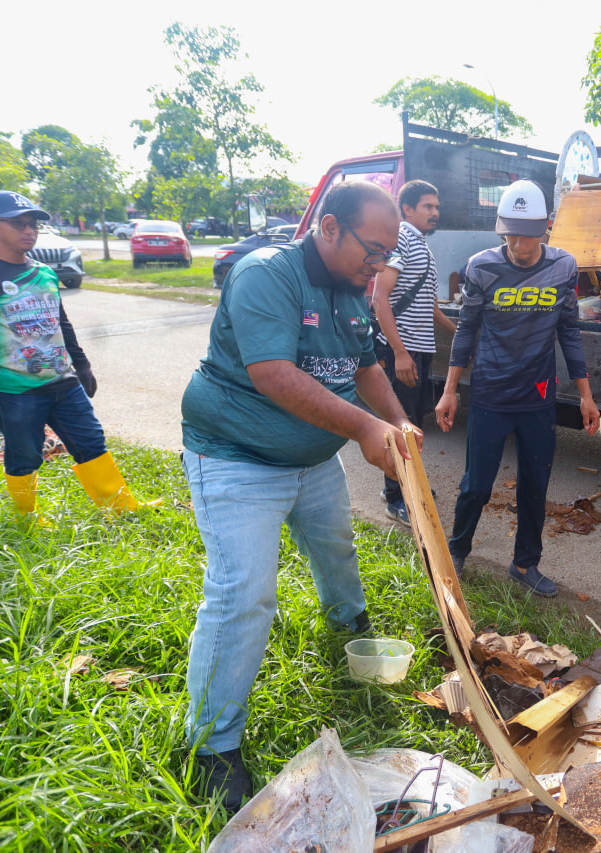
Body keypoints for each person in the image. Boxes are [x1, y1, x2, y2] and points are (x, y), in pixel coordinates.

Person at [179, 181, 417, 811]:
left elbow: (366, 365)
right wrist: (366, 429)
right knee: (244, 593)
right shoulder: (266, 275)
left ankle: (349, 623)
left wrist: (395, 421)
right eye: (374, 249)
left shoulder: (353, 286)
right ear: (330, 227)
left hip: (312, 462)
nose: (380, 266)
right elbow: (273, 374)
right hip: (236, 459)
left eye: (388, 256)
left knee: (336, 547)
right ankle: (211, 745)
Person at [0, 190, 155, 522]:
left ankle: (119, 507)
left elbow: (61, 321)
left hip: (63, 381)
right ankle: (27, 517)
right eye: (18, 224)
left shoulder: (43, 272)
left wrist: (81, 364)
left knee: (90, 441)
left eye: (33, 224)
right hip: (14, 389)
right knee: (23, 453)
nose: (28, 231)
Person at [435, 180, 601, 598]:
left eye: (528, 234)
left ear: (546, 227)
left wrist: (585, 395)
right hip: (491, 392)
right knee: (477, 483)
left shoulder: (564, 267)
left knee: (535, 485)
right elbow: (466, 330)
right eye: (511, 232)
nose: (519, 243)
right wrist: (450, 389)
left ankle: (525, 563)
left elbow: (569, 331)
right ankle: (457, 551)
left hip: (539, 395)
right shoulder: (481, 266)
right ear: (500, 227)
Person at [371, 179, 457, 525]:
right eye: (428, 206)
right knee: (401, 424)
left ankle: (407, 482)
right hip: (402, 350)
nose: (435, 212)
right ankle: (395, 497)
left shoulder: (422, 246)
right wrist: (400, 353)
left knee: (414, 423)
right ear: (406, 209)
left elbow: (431, 308)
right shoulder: (402, 240)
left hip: (417, 349)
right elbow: (380, 299)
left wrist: (461, 333)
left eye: (436, 207)